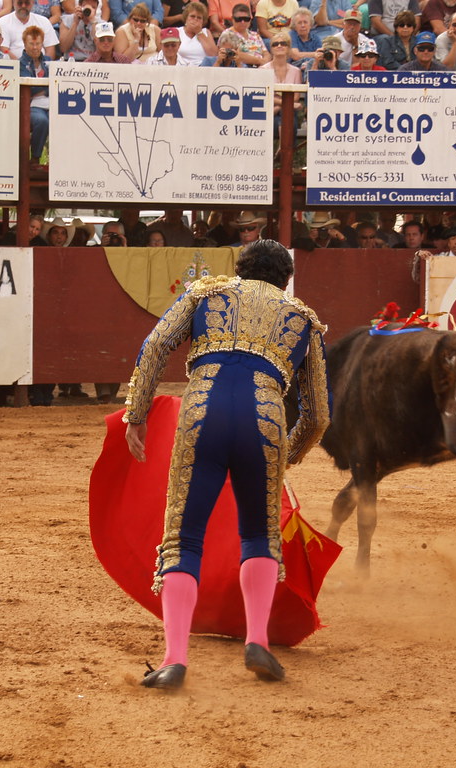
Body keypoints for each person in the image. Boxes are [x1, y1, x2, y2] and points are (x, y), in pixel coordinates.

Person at [122, 239, 330, 691]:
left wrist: (136, 413)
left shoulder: (205, 293)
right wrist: (287, 454)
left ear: (240, 268)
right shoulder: (304, 320)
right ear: (285, 280)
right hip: (266, 422)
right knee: (259, 533)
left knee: (184, 536)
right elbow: (318, 416)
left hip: (203, 412)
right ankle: (257, 642)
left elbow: (155, 346)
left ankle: (175, 658)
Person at [262, 30, 303, 133]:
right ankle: (284, 149)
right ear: (271, 49)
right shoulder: (263, 70)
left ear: (288, 48)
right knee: (284, 120)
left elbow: (296, 97)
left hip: (287, 111)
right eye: (275, 44)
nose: (279, 46)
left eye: (283, 44)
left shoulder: (296, 71)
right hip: (267, 111)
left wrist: (279, 106)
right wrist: (286, 103)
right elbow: (264, 96)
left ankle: (283, 148)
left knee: (287, 118)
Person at [19, 26, 50, 162]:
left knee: (62, 120)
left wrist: (45, 89)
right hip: (31, 106)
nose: (35, 47)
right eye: (31, 44)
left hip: (51, 103)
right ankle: (35, 158)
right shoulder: (20, 64)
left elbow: (57, 84)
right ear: (25, 44)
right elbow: (29, 89)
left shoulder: (48, 61)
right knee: (42, 122)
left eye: (38, 44)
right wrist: (46, 86)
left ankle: (59, 162)